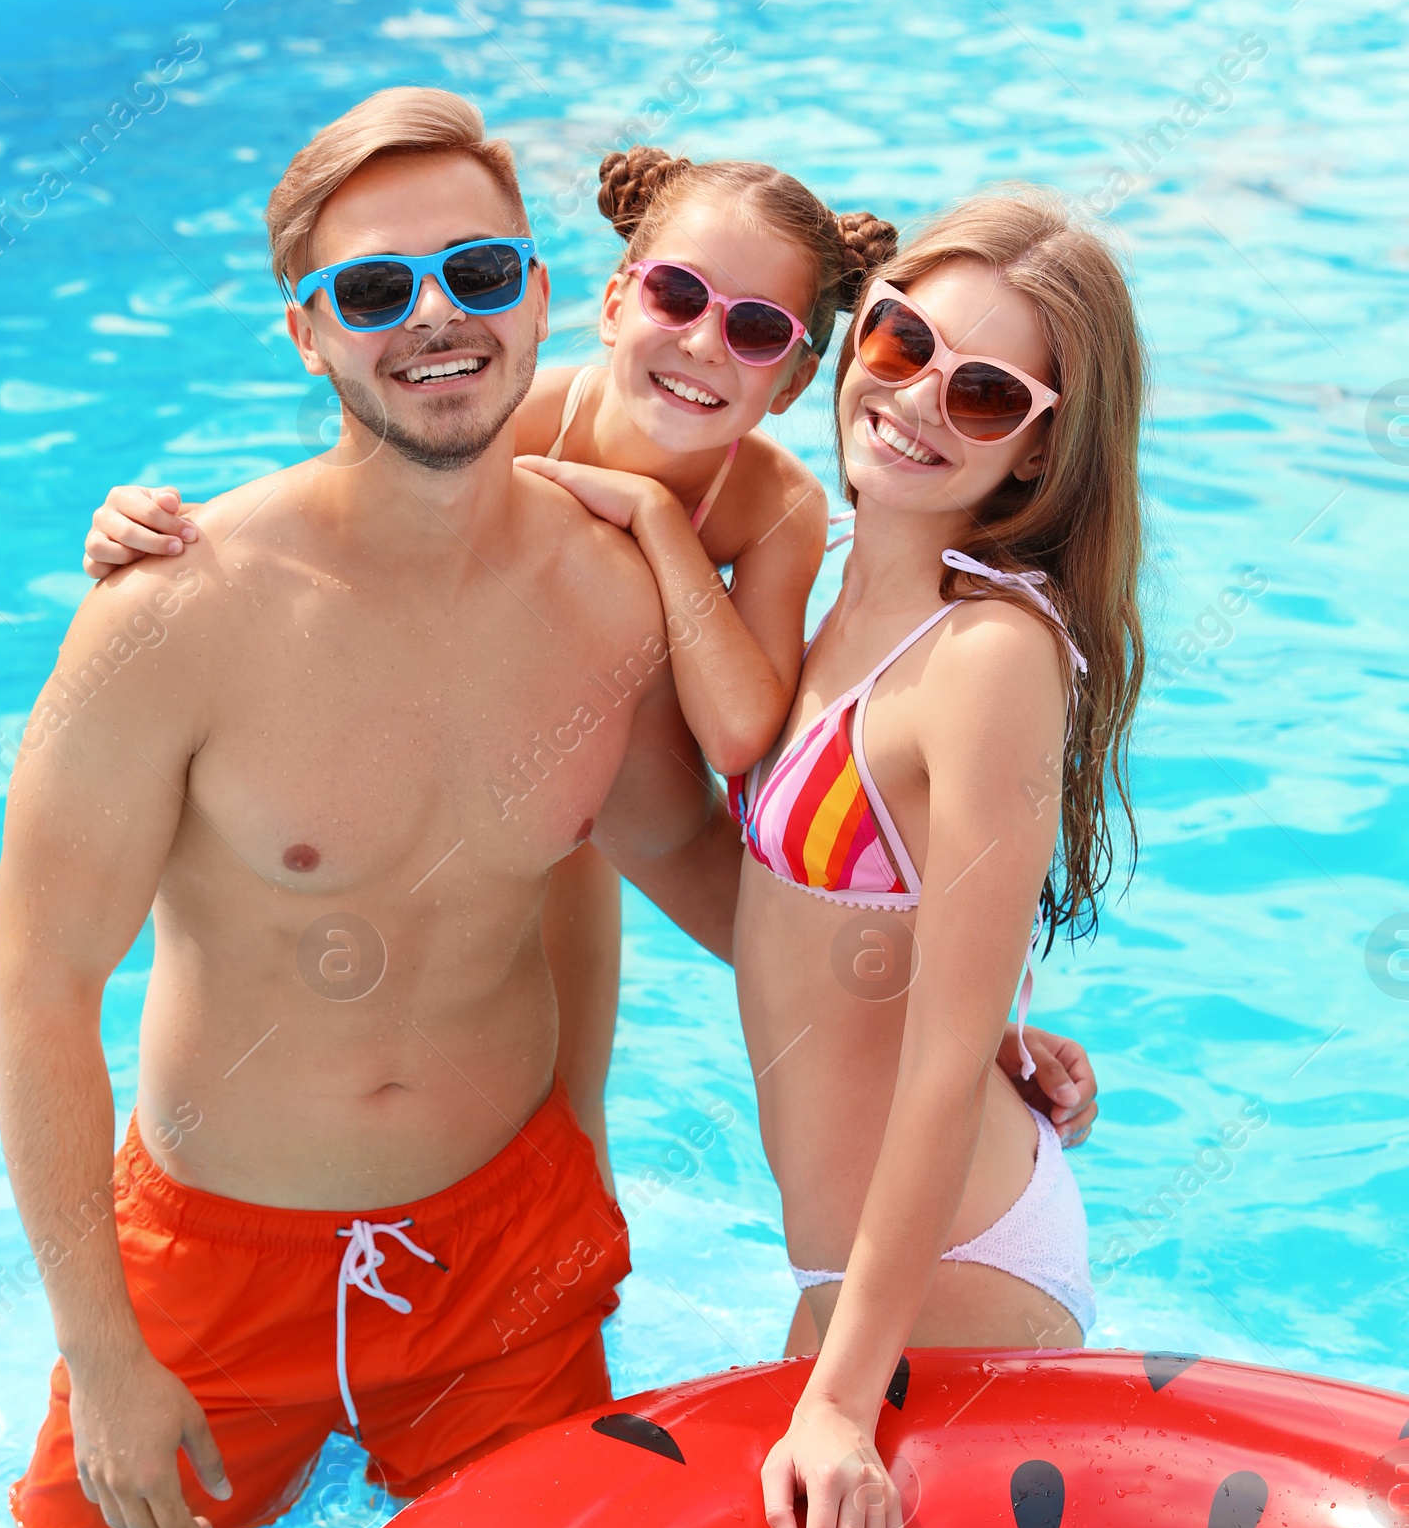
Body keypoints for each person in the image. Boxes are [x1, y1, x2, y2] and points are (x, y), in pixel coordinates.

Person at [0, 87, 740, 1528]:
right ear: (308, 337)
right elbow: (43, 988)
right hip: (212, 1266)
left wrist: (964, 1006)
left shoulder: (609, 591)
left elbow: (648, 856)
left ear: (539, 294)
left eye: (477, 271)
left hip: (506, 1261)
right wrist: (103, 1351)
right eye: (375, 290)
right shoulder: (172, 614)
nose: (436, 320)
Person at [85, 147, 1099, 1176]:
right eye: (677, 295)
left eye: (754, 330)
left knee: (675, 1077)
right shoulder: (508, 422)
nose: (705, 343)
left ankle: (974, 1061)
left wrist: (657, 524)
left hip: (644, 811)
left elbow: (744, 738)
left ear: (796, 378)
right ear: (616, 300)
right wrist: (168, 522)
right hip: (505, 779)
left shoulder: (771, 506)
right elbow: (332, 513)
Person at [724, 192, 1143, 1528]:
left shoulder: (988, 658)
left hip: (947, 1269)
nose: (911, 401)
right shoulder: (825, 590)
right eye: (899, 339)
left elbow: (941, 1047)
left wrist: (843, 1397)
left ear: (1039, 444)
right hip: (859, 1258)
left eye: (979, 392)